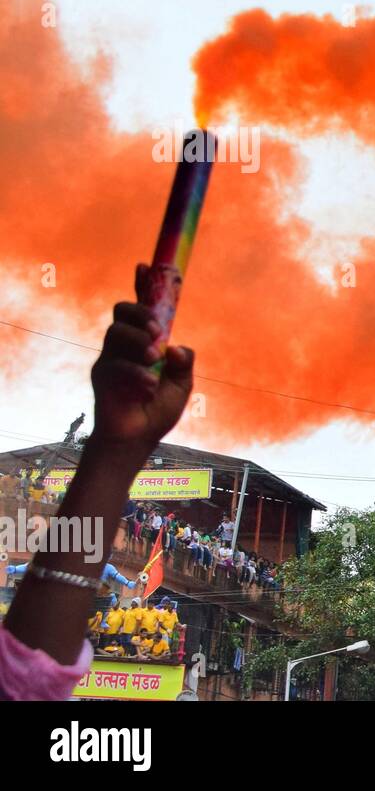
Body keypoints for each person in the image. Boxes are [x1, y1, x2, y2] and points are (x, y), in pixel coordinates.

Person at [0, 266, 195, 700]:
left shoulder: (114, 585)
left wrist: (115, 446)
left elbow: (24, 678)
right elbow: (28, 676)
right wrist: (114, 450)